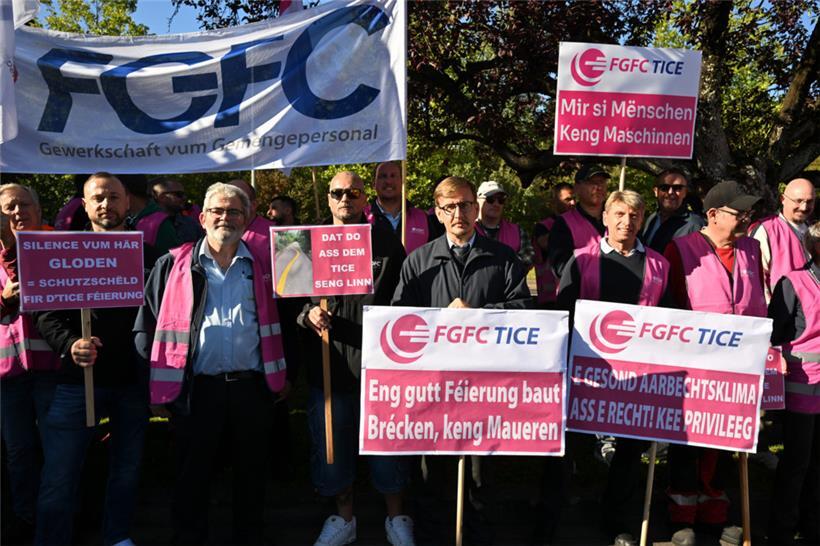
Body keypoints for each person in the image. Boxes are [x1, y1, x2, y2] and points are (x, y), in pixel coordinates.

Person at [135, 182, 288, 545]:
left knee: (251, 475)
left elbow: (286, 323)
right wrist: (152, 386)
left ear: (248, 217)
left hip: (252, 386)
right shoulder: (171, 264)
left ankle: (248, 537)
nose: (225, 218)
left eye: (234, 211)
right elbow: (147, 326)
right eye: (217, 211)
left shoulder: (267, 263)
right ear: (202, 218)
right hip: (195, 390)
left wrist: (286, 376)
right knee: (192, 475)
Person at [392, 176, 532, 544]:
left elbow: (523, 311)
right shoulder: (418, 261)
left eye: (466, 204)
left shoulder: (502, 258)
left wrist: (479, 314)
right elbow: (398, 322)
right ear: (438, 212)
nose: (459, 212)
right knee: (432, 473)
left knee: (479, 475)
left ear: (477, 208)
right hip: (433, 388)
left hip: (485, 387)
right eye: (450, 206)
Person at [34, 173, 151, 546]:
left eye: (114, 197)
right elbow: (45, 313)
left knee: (127, 470)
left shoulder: (149, 254)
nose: (106, 204)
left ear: (127, 202)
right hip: (76, 380)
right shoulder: (62, 250)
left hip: (132, 382)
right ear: (84, 204)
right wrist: (70, 345)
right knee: (60, 473)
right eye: (98, 197)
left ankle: (116, 537)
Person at [297, 171, 412, 546]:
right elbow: (290, 300)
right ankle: (344, 520)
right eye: (338, 192)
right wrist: (308, 313)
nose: (345, 198)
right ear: (329, 199)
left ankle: (396, 518)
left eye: (354, 192)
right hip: (327, 367)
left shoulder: (387, 242)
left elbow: (403, 298)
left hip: (377, 365)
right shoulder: (304, 243)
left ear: (366, 199)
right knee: (332, 450)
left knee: (386, 449)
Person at [557, 191, 673, 546]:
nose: (627, 221)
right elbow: (562, 315)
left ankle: (617, 519)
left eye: (635, 215)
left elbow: (667, 320)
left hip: (636, 376)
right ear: (605, 217)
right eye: (619, 213)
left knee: (628, 452)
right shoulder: (580, 261)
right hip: (587, 371)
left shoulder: (658, 265)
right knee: (569, 446)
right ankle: (553, 516)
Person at [663, 180, 766, 546]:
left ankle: (717, 514)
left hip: (739, 368)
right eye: (740, 213)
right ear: (712, 215)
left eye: (749, 213)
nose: (747, 219)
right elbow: (669, 309)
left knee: (726, 444)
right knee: (689, 443)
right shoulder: (681, 250)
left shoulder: (752, 249)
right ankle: (682, 518)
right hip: (693, 370)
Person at [0, 184, 60, 543]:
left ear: (39, 210)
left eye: (24, 205)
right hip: (9, 375)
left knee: (57, 451)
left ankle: (57, 521)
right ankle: (26, 520)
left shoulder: (57, 245)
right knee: (19, 452)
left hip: (52, 369)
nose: (17, 213)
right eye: (8, 208)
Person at [767, 220, 820, 546]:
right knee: (797, 463)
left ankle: (813, 527)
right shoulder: (794, 282)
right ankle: (782, 532)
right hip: (801, 386)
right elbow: (774, 334)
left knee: (818, 465)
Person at [751, 177, 816, 302]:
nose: (804, 207)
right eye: (798, 201)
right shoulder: (766, 230)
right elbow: (757, 278)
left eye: (810, 201)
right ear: (783, 199)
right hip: (781, 313)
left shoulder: (814, 231)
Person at [547, 165, 609, 279]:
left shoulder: (619, 219)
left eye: (602, 182)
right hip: (581, 294)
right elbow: (560, 267)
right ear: (576, 188)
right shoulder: (564, 223)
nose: (598, 187)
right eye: (592, 182)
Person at [364, 161, 435, 254]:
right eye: (383, 176)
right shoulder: (363, 218)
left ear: (402, 181)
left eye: (393, 176)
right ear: (374, 184)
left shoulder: (423, 217)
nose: (388, 181)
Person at [640, 169, 705, 253]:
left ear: (685, 192)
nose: (670, 192)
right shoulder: (651, 219)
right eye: (664, 188)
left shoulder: (695, 224)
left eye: (677, 188)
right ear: (656, 191)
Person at [474, 180, 535, 270]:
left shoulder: (518, 231)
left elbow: (528, 261)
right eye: (490, 199)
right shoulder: (467, 230)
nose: (496, 204)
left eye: (501, 200)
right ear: (477, 201)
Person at [533, 183, 575, 308]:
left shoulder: (579, 224)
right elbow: (547, 244)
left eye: (574, 199)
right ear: (554, 202)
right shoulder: (543, 227)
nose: (573, 203)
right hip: (550, 299)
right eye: (567, 199)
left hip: (575, 294)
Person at [120, 174, 180, 260]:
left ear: (125, 191)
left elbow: (171, 264)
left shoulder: (160, 223)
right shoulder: (124, 219)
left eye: (114, 195)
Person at [151, 177, 203, 244]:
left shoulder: (191, 224)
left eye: (184, 194)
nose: (184, 198)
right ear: (162, 197)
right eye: (179, 194)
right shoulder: (147, 224)